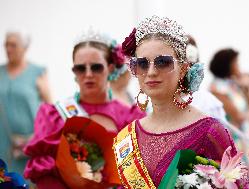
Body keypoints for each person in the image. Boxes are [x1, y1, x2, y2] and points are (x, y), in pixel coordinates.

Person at [113, 16, 248, 188]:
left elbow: (237, 183)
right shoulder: (128, 136)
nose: (151, 72)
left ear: (183, 69)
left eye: (163, 62)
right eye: (142, 63)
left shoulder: (209, 131)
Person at [23, 29, 145, 189]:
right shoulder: (54, 115)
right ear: (74, 71)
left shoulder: (131, 117)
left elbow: (137, 172)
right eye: (80, 68)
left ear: (110, 68)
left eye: (96, 67)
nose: (88, 74)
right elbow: (43, 171)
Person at [0, 31, 52, 174]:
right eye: (6, 45)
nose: (8, 49)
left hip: (29, 143)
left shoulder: (38, 72)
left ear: (25, 47)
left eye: (13, 45)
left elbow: (49, 107)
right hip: (3, 141)